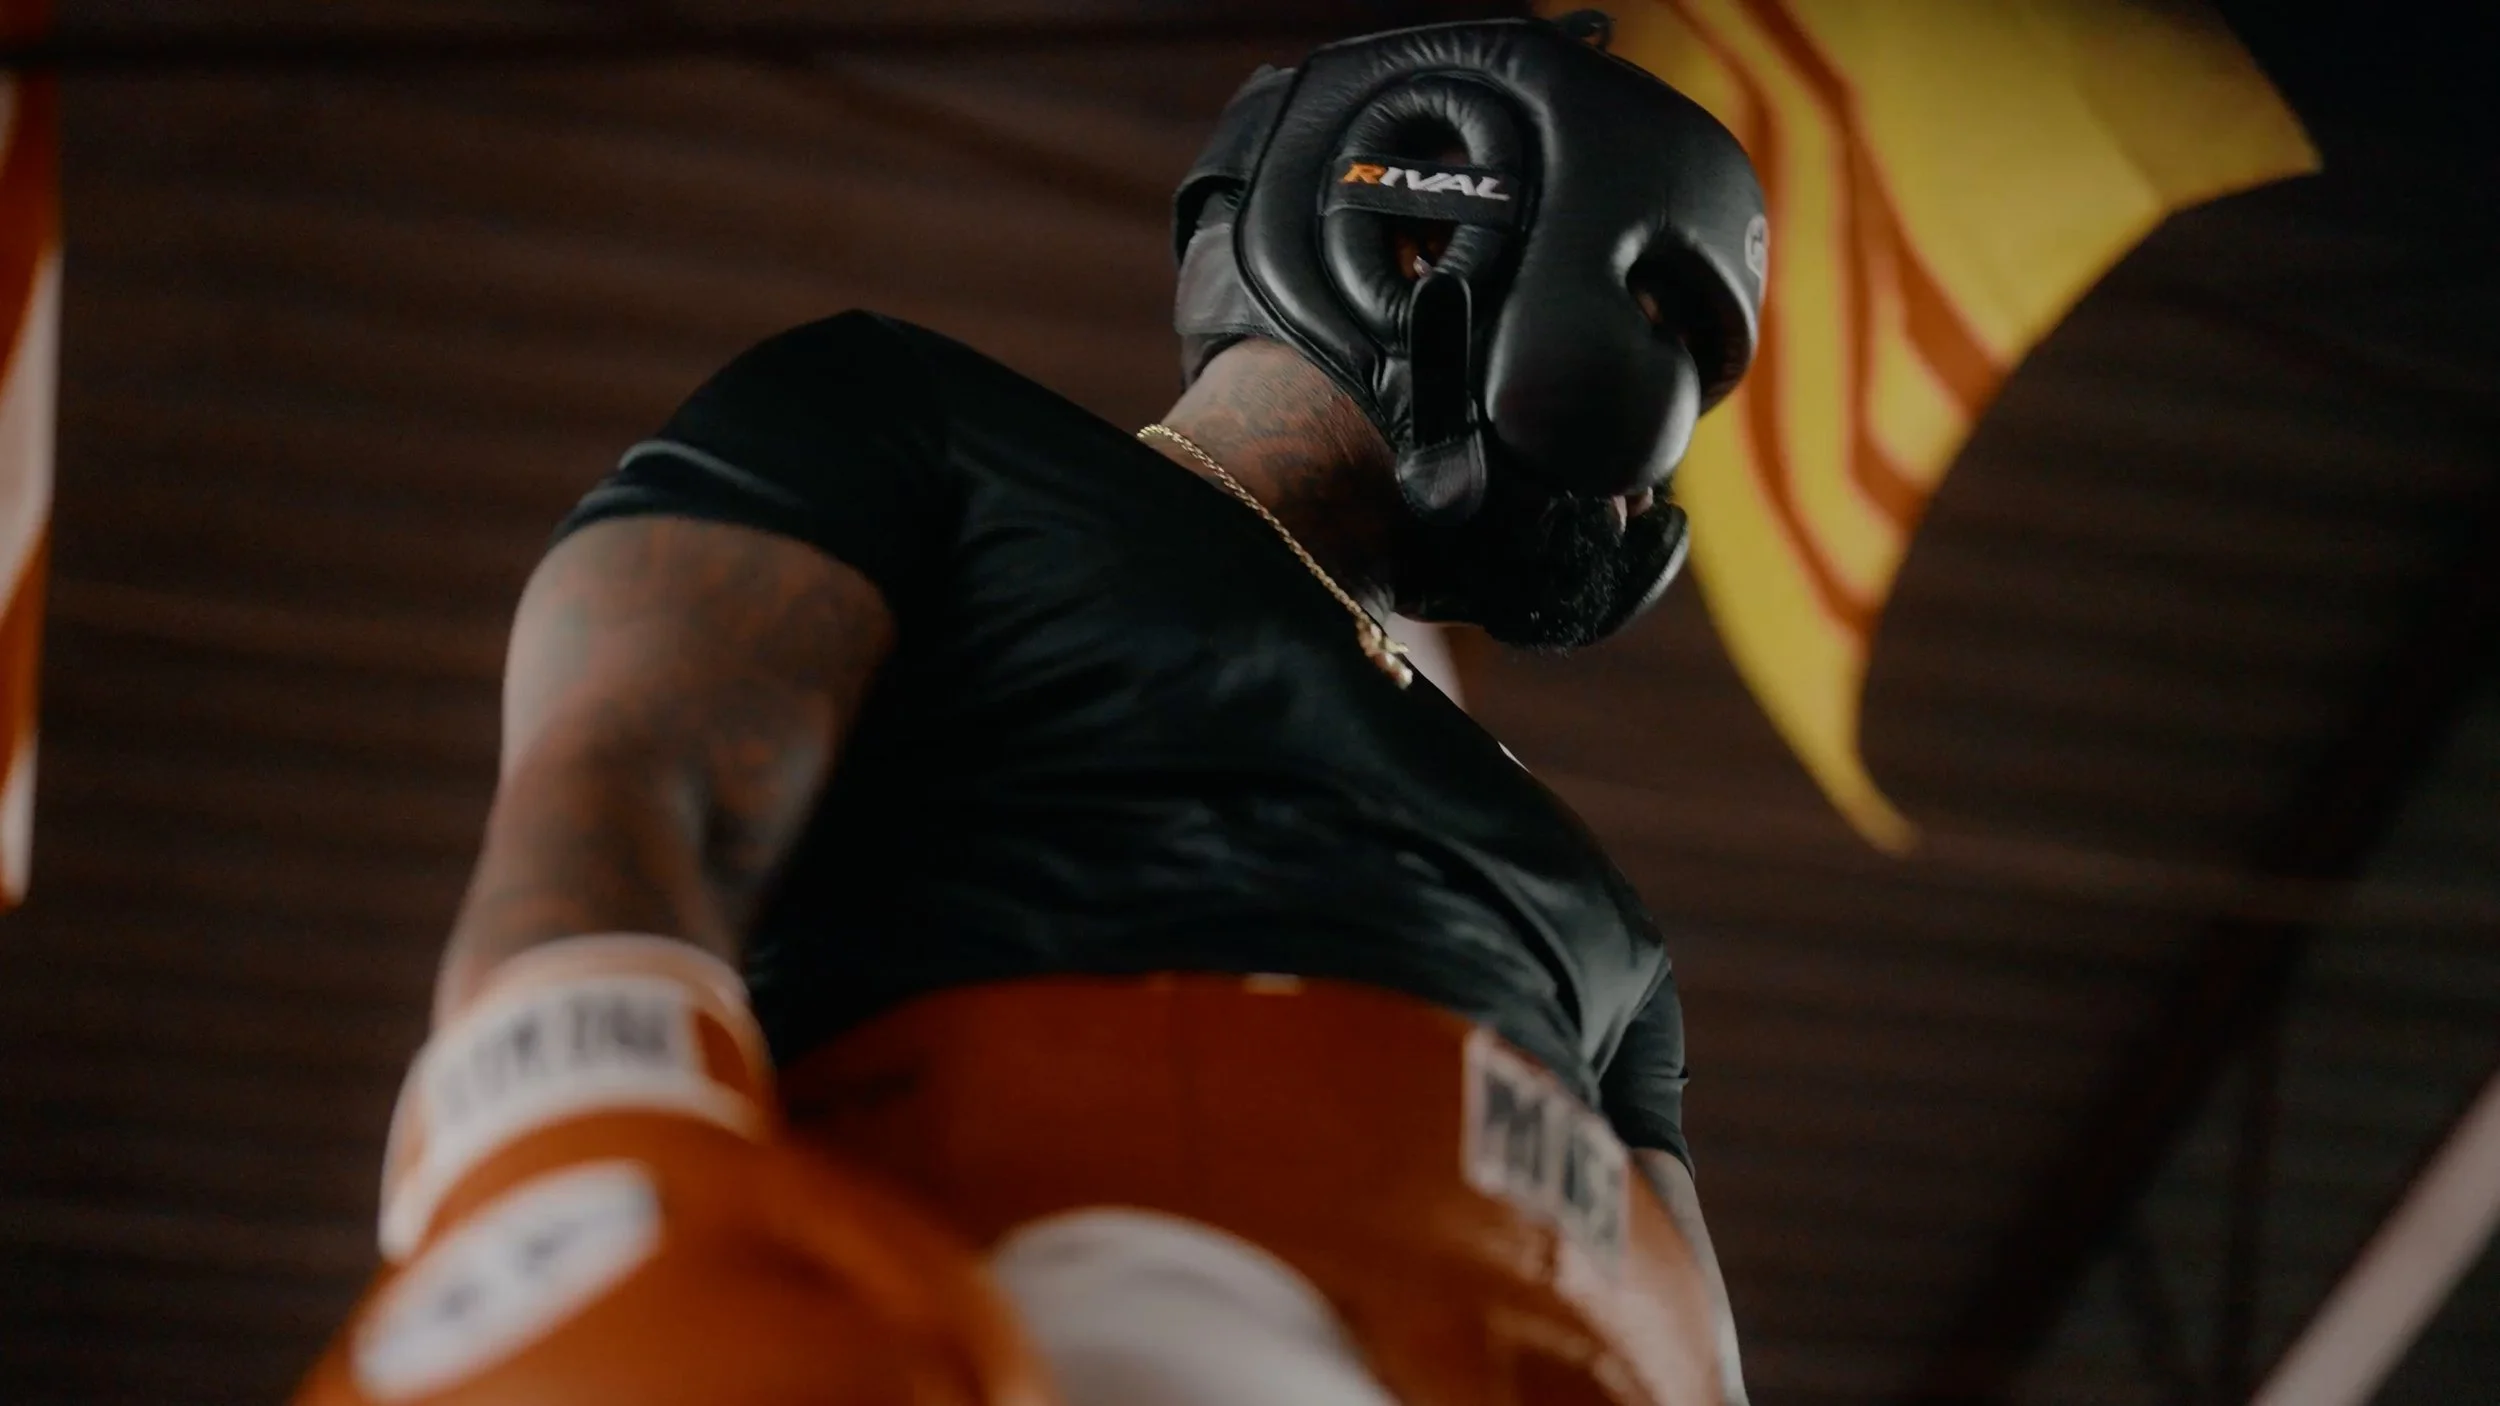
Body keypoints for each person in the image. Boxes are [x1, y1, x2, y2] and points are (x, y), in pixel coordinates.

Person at [295, 13, 1767, 1406]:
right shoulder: (929, 435)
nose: (1656, 477)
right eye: (1662, 326)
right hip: (1070, 1314)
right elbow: (626, 772)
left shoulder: (1605, 914)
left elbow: (1693, 1354)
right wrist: (566, 1174)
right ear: (1416, 233)